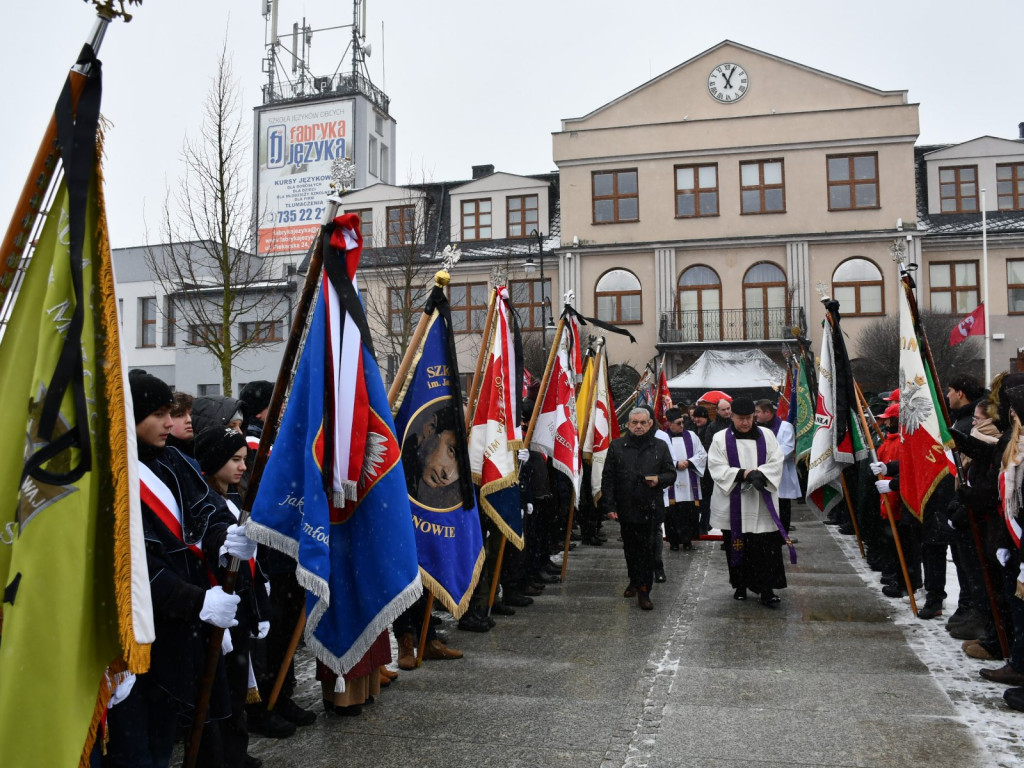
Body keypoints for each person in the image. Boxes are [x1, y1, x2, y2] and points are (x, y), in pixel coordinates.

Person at [104, 371, 246, 768]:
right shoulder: (113, 473)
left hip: (181, 630)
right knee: (134, 751)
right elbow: (135, 567)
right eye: (160, 414)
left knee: (164, 740)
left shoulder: (173, 460)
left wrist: (226, 540)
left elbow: (208, 514)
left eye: (171, 413)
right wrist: (196, 600)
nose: (170, 423)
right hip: (139, 636)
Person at [193, 427, 272, 768]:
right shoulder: (206, 502)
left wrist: (260, 604)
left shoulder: (235, 498)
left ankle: (236, 750)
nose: (242, 466)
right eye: (234, 460)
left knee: (237, 687)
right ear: (213, 462)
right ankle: (222, 755)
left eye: (243, 459)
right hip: (220, 610)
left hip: (240, 607)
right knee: (221, 693)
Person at [707, 397, 788, 607]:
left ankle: (766, 589)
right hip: (732, 502)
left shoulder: (767, 435)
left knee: (765, 548)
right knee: (736, 544)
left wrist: (761, 474)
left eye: (749, 418)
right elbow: (715, 466)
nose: (745, 423)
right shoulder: (719, 438)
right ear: (731, 416)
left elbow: (777, 460)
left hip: (761, 501)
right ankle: (740, 585)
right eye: (740, 418)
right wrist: (743, 473)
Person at [601, 407, 675, 610]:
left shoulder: (659, 446)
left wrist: (659, 480)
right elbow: (608, 478)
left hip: (650, 507)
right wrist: (608, 505)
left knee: (648, 550)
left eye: (643, 422)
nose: (639, 426)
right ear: (629, 425)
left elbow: (671, 473)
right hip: (626, 507)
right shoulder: (617, 446)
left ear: (650, 424)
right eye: (635, 423)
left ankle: (644, 590)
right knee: (631, 549)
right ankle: (634, 579)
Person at [754, 399, 800, 539]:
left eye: (758, 412)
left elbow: (788, 447)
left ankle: (783, 535)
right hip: (761, 472)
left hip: (781, 473)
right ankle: (769, 534)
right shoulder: (756, 427)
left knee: (782, 505)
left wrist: (769, 460)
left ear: (768, 412)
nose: (755, 415)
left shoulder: (785, 427)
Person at [663, 406, 707, 551]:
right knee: (672, 514)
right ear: (669, 424)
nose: (682, 425)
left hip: (689, 482)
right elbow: (659, 458)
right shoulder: (663, 438)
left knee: (689, 512)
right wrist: (675, 464)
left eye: (683, 422)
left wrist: (688, 462)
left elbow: (702, 454)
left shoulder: (692, 436)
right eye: (678, 423)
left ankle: (688, 540)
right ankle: (674, 541)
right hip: (672, 482)